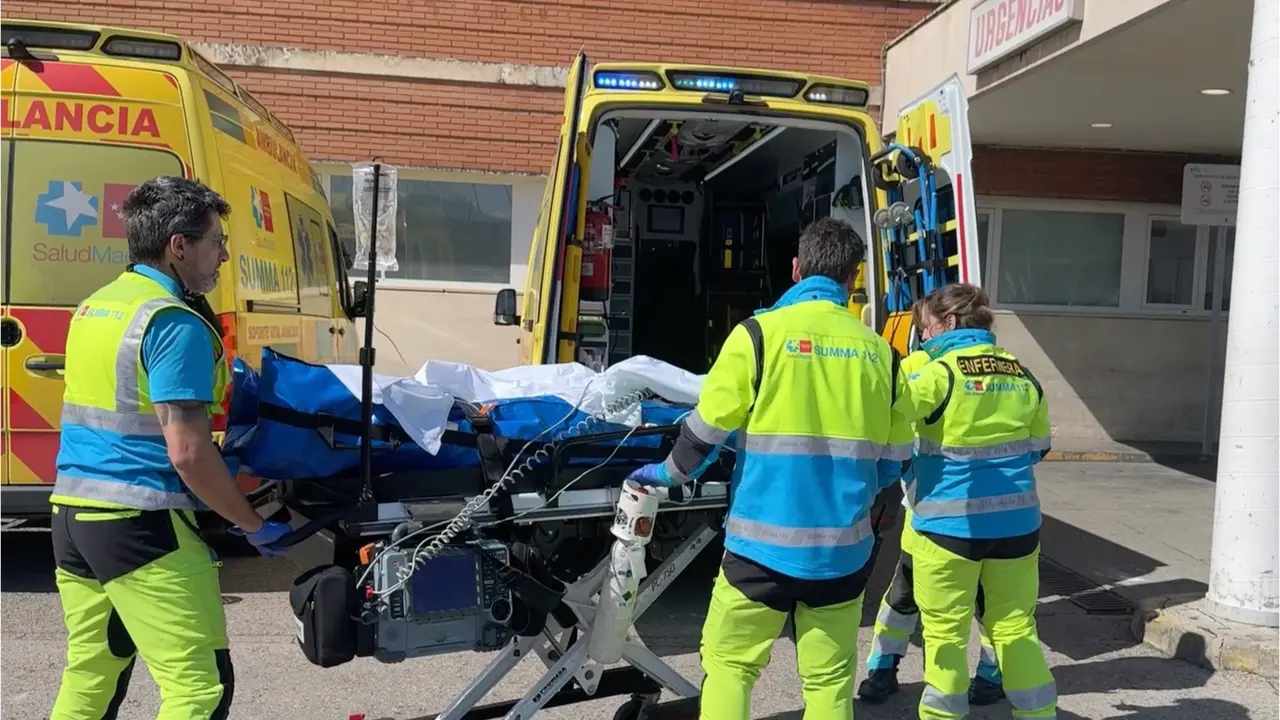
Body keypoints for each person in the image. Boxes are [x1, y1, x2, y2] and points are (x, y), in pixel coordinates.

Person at [626, 217, 914, 720]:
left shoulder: (757, 336)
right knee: (828, 682)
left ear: (797, 268)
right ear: (853, 279)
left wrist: (662, 475)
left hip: (760, 551)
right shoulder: (885, 357)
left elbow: (705, 434)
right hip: (843, 555)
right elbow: (894, 465)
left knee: (731, 667)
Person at [49, 176, 292, 719]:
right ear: (178, 246)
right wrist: (250, 523)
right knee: (198, 689)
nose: (224, 255)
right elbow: (187, 452)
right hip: (143, 525)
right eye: (216, 241)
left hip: (72, 516)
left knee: (92, 678)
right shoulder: (171, 322)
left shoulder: (96, 307)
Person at [894, 283, 1057, 720]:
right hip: (1018, 528)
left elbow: (892, 433)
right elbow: (1039, 445)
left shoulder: (933, 373)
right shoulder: (1022, 373)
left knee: (945, 641)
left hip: (949, 528)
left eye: (925, 328)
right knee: (1016, 630)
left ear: (948, 323)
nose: (923, 337)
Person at [858, 346, 1005, 705]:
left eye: (927, 324)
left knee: (911, 599)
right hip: (985, 512)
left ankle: (884, 670)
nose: (923, 333)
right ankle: (989, 675)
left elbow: (892, 414)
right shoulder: (1001, 368)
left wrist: (899, 469)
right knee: (985, 603)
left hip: (936, 507)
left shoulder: (925, 365)